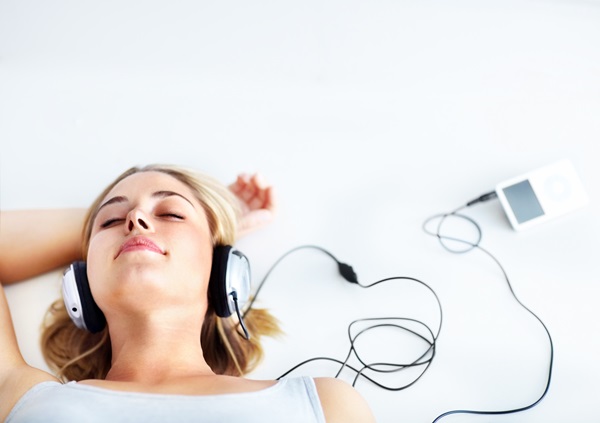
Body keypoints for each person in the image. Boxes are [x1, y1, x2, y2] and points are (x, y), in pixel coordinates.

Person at [0, 164, 376, 423]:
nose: (136, 220)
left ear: (224, 270)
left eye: (172, 214)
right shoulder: (21, 395)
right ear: (80, 284)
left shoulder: (324, 405)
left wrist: (218, 219)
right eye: (112, 221)